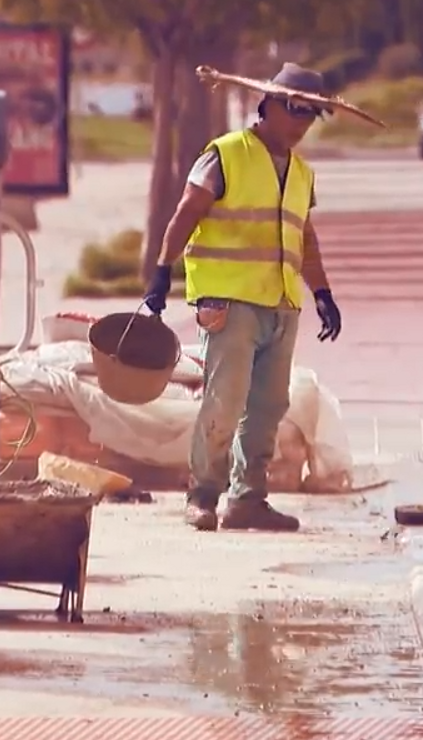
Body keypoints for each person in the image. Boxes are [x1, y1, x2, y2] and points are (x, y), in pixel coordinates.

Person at [143, 62, 346, 533]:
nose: (301, 123)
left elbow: (305, 237)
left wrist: (322, 292)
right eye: (296, 110)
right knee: (225, 401)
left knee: (270, 405)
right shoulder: (224, 155)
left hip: (279, 302)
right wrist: (160, 271)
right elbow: (186, 213)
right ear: (269, 105)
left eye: (312, 115)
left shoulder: (301, 172)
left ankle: (248, 498)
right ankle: (203, 495)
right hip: (228, 301)